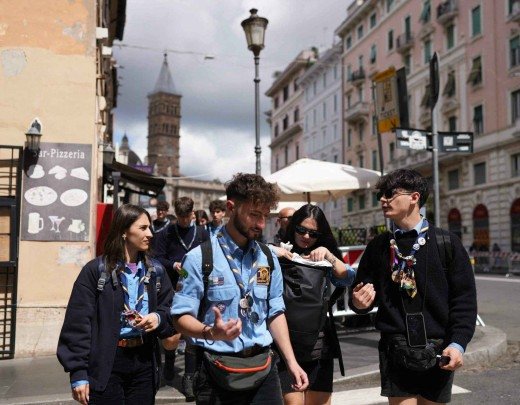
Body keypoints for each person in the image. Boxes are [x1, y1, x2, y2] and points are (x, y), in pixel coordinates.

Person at [172, 173, 309, 405]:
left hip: (264, 370)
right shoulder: (198, 259)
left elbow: (275, 312)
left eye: (265, 216)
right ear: (230, 208)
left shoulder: (268, 257)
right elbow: (179, 317)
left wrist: (292, 362)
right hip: (216, 371)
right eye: (254, 214)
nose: (260, 224)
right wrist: (210, 332)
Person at [349, 169, 477, 405]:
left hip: (438, 349)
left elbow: (464, 302)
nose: (382, 200)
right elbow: (360, 296)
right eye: (381, 194)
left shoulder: (446, 243)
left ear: (415, 197)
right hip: (394, 347)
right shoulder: (378, 246)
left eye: (390, 193)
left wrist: (458, 344)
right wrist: (358, 303)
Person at [57, 204, 174, 405]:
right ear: (123, 232)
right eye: (143, 228)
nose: (150, 234)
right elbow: (78, 323)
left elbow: (172, 308)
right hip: (106, 362)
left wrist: (158, 318)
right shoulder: (96, 271)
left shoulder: (156, 271)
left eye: (150, 227)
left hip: (144, 361)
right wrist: (78, 372)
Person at [271, 204, 355, 405]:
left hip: (319, 341)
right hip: (283, 340)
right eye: (301, 230)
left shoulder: (324, 252)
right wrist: (273, 251)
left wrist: (328, 254)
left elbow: (347, 278)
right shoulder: (278, 249)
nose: (306, 237)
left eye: (313, 233)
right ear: (293, 227)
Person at [154, 196, 210, 399]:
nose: (185, 221)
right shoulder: (166, 233)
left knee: (191, 335)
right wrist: (173, 265)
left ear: (192, 214)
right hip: (171, 287)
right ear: (176, 215)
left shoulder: (202, 233)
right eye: (181, 217)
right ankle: (169, 357)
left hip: (196, 289)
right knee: (171, 337)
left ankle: (188, 378)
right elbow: (157, 257)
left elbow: (209, 258)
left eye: (188, 217)